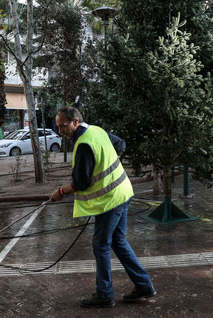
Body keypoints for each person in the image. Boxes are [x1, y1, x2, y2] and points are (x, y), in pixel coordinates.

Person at [49, 106, 156, 308]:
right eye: (58, 127)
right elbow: (121, 145)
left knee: (101, 245)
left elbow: (80, 183)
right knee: (117, 241)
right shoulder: (96, 130)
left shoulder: (83, 144)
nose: (60, 131)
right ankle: (144, 286)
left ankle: (105, 294)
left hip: (110, 201)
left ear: (75, 122)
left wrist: (61, 192)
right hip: (123, 191)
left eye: (63, 126)